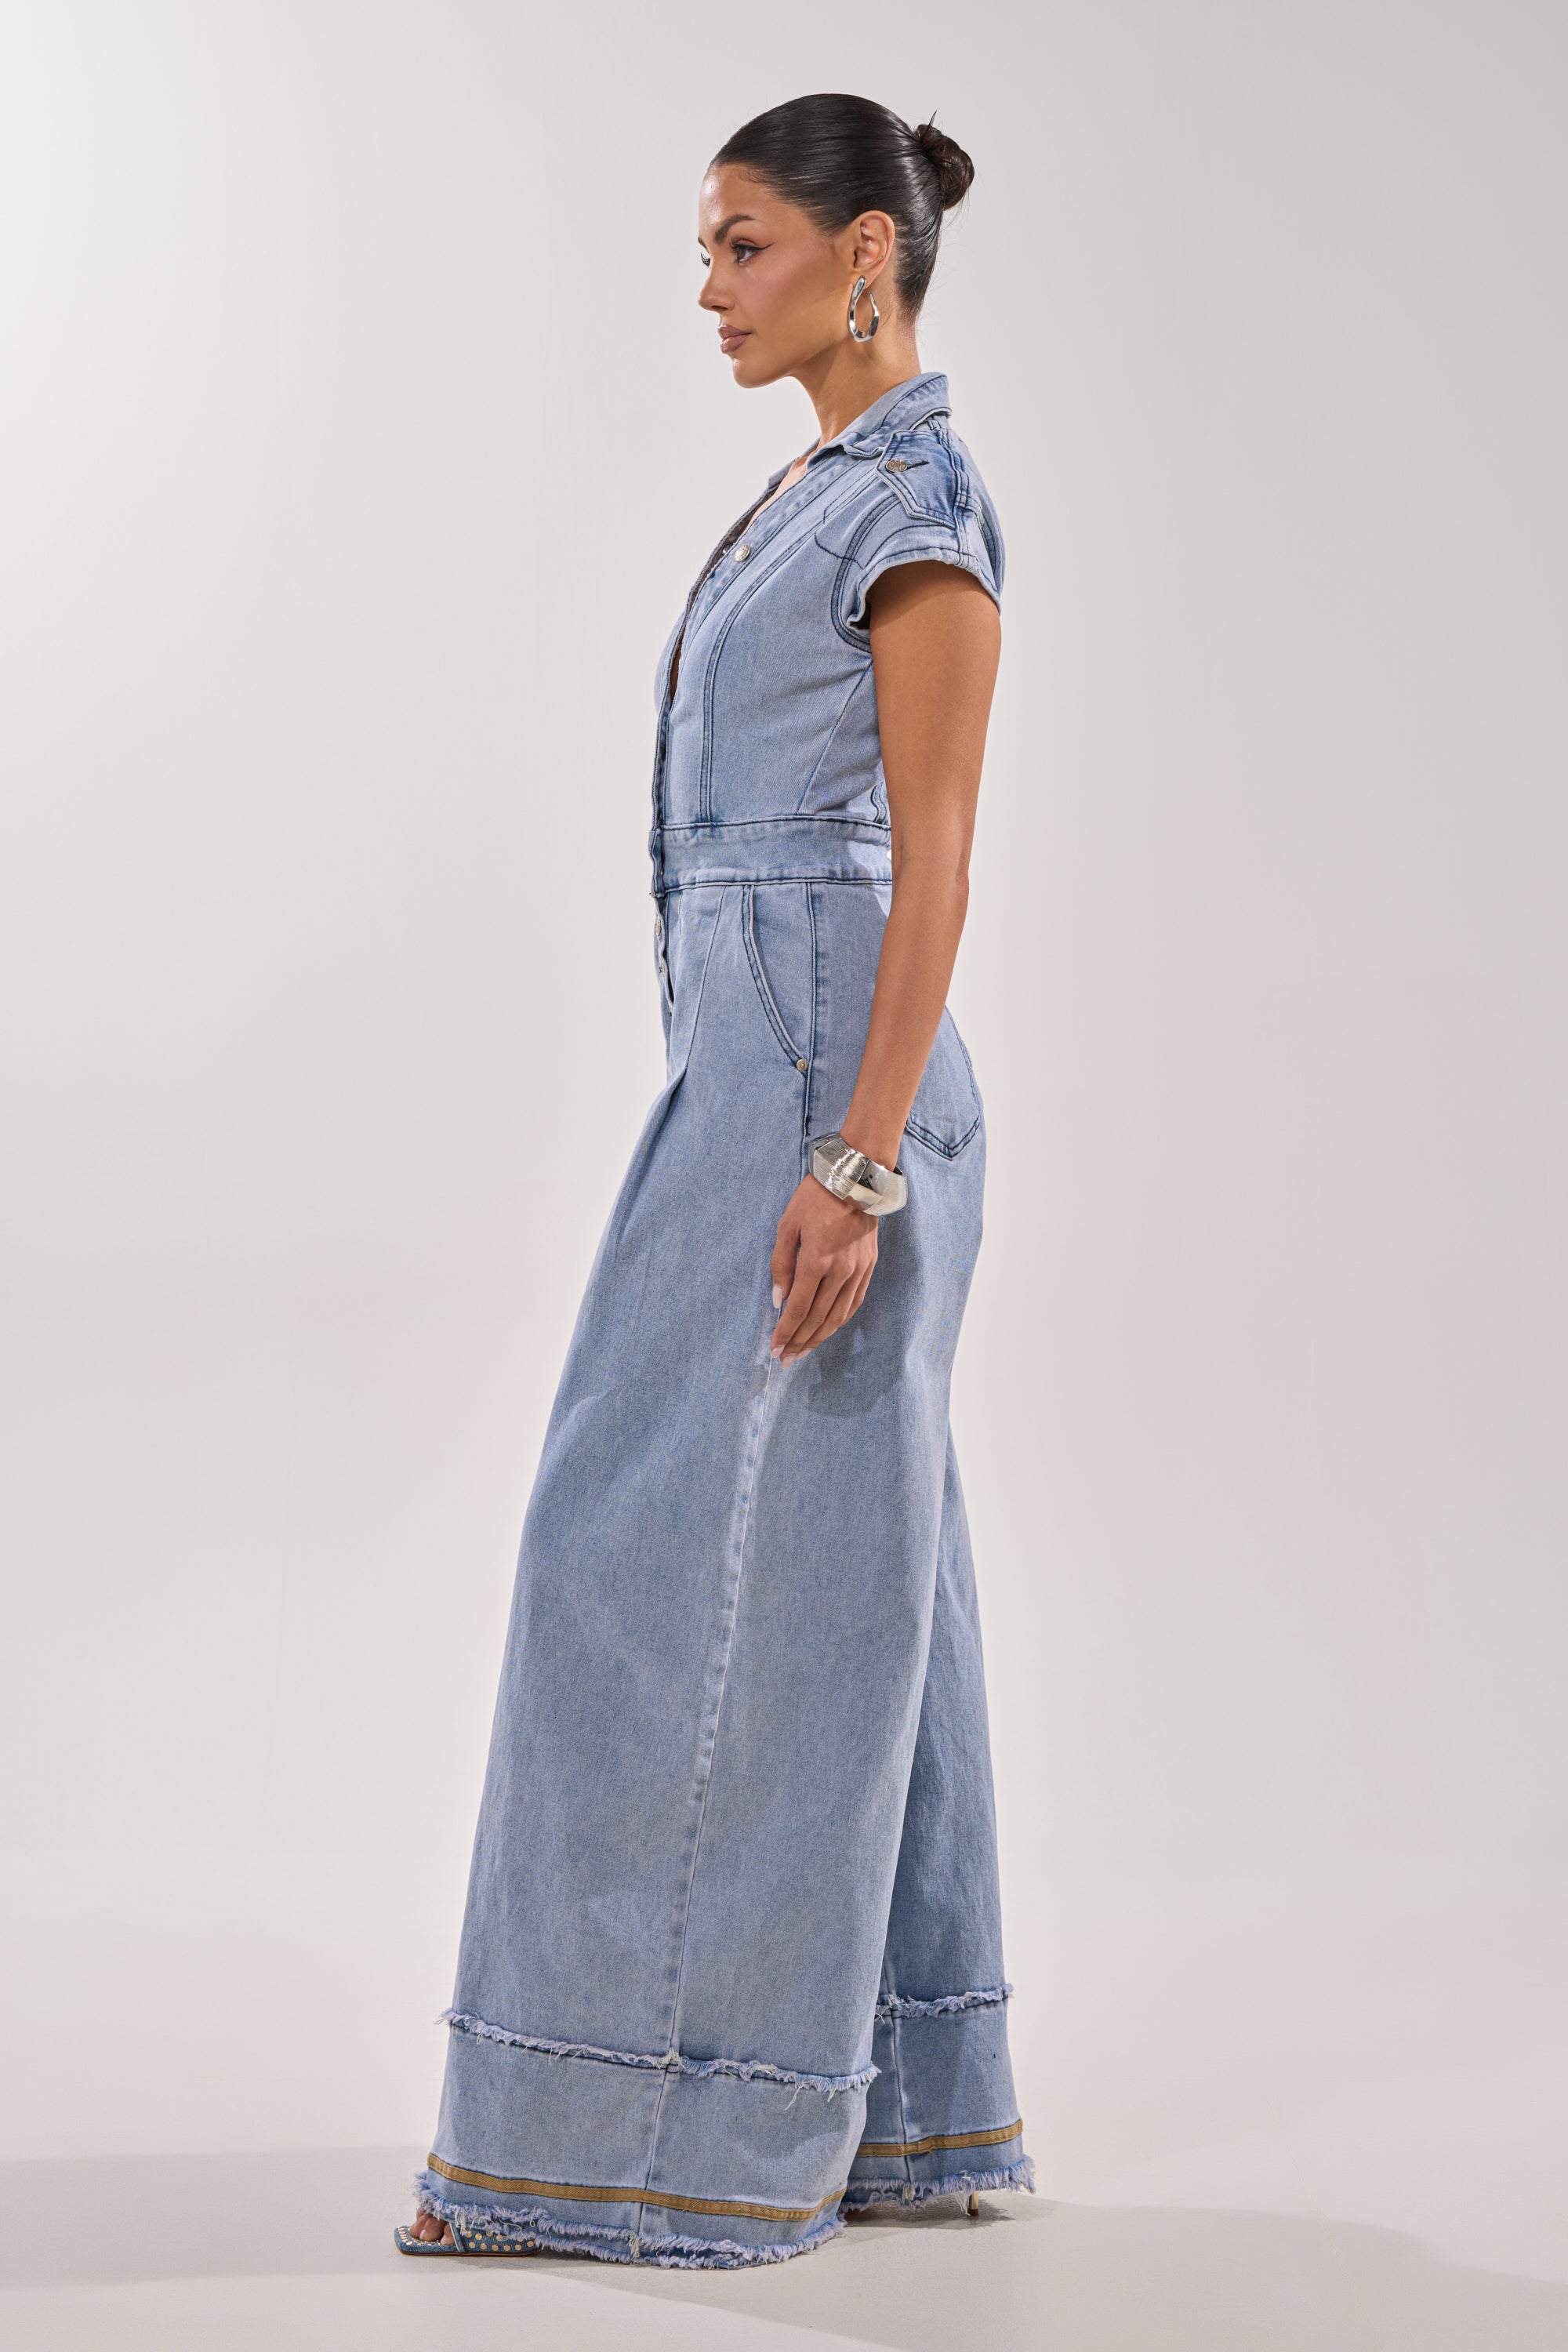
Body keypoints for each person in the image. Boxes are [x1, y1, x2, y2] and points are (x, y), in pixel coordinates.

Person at [397, 90, 1029, 2270]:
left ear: (870, 254)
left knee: (631, 1557)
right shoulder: (818, 493)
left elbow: (932, 865)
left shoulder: (921, 503)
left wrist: (852, 1157)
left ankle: (618, 2148)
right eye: (708, 244)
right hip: (767, 1051)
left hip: (821, 1074)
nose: (708, 286)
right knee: (872, 1583)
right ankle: (910, 2114)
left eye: (744, 244)